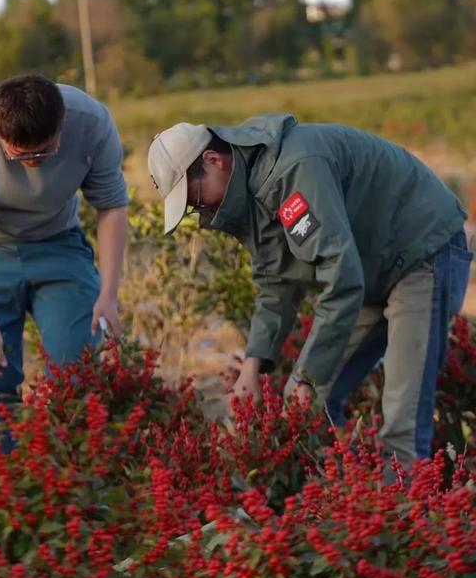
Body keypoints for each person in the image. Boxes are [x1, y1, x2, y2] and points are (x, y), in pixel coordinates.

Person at [147, 114, 472, 469]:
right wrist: (253, 365)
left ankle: (407, 514)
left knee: (401, 421)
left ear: (214, 160)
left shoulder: (295, 169)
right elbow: (275, 283)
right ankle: (347, 499)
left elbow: (341, 277)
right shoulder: (248, 190)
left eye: (194, 198)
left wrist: (307, 373)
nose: (199, 210)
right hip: (372, 266)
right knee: (308, 400)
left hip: (422, 252)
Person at [0, 73, 128, 443]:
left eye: (44, 151)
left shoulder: (91, 121)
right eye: (19, 155)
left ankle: (76, 481)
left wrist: (109, 293)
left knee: (79, 376)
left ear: (62, 125)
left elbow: (112, 206)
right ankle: (12, 481)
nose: (33, 163)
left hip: (59, 243)